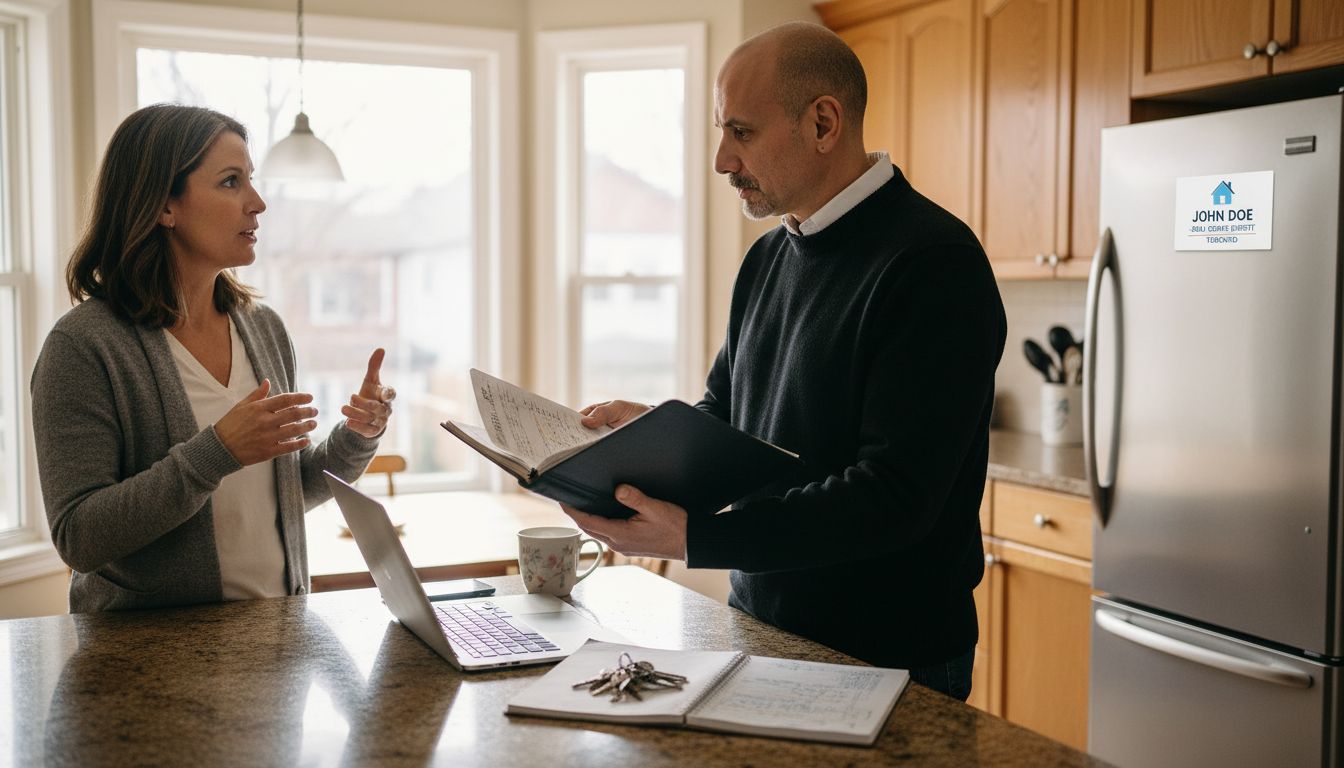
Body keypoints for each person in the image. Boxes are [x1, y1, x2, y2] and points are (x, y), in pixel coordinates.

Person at [561, 22, 1006, 701]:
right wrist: (647, 435)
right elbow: (727, 415)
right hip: (760, 627)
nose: (720, 160)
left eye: (741, 132)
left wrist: (698, 536)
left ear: (823, 122)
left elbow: (893, 498)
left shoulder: (933, 264)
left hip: (889, 658)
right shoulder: (768, 256)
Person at [31, 104, 396, 613]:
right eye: (230, 182)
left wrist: (357, 438)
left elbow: (286, 493)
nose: (258, 203)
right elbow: (80, 537)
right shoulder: (84, 346)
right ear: (164, 206)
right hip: (147, 662)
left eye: (251, 180)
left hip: (276, 641)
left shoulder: (264, 329)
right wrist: (217, 451)